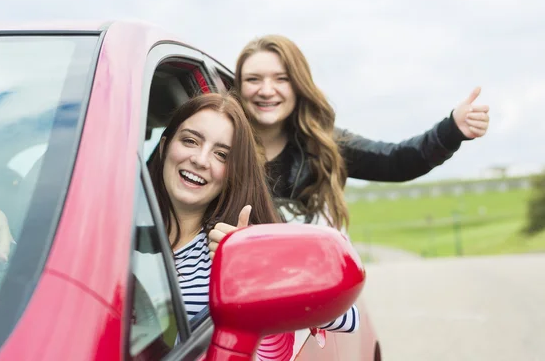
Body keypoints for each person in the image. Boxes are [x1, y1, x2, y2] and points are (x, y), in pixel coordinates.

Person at [146, 93, 359, 360]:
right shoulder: (111, 233)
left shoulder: (234, 244)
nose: (200, 160)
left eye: (222, 155)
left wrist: (257, 268)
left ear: (234, 172)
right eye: (190, 141)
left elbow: (347, 317)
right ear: (165, 145)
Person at [228, 34, 490, 229]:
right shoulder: (220, 145)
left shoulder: (324, 144)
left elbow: (396, 161)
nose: (266, 90)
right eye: (253, 79)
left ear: (298, 85)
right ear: (238, 86)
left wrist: (452, 129)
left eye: (281, 78)